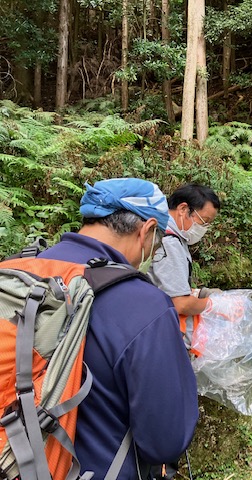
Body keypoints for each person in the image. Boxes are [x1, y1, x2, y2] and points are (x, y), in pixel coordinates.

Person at [39, 178, 198, 479]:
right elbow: (167, 440)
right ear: (147, 229)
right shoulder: (145, 305)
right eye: (158, 243)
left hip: (15, 458)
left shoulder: (23, 272)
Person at [147, 183, 221, 349]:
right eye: (204, 221)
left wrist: (198, 293)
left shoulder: (167, 235)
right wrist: (214, 304)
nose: (203, 228)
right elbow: (180, 303)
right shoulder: (169, 242)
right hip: (165, 336)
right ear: (183, 209)